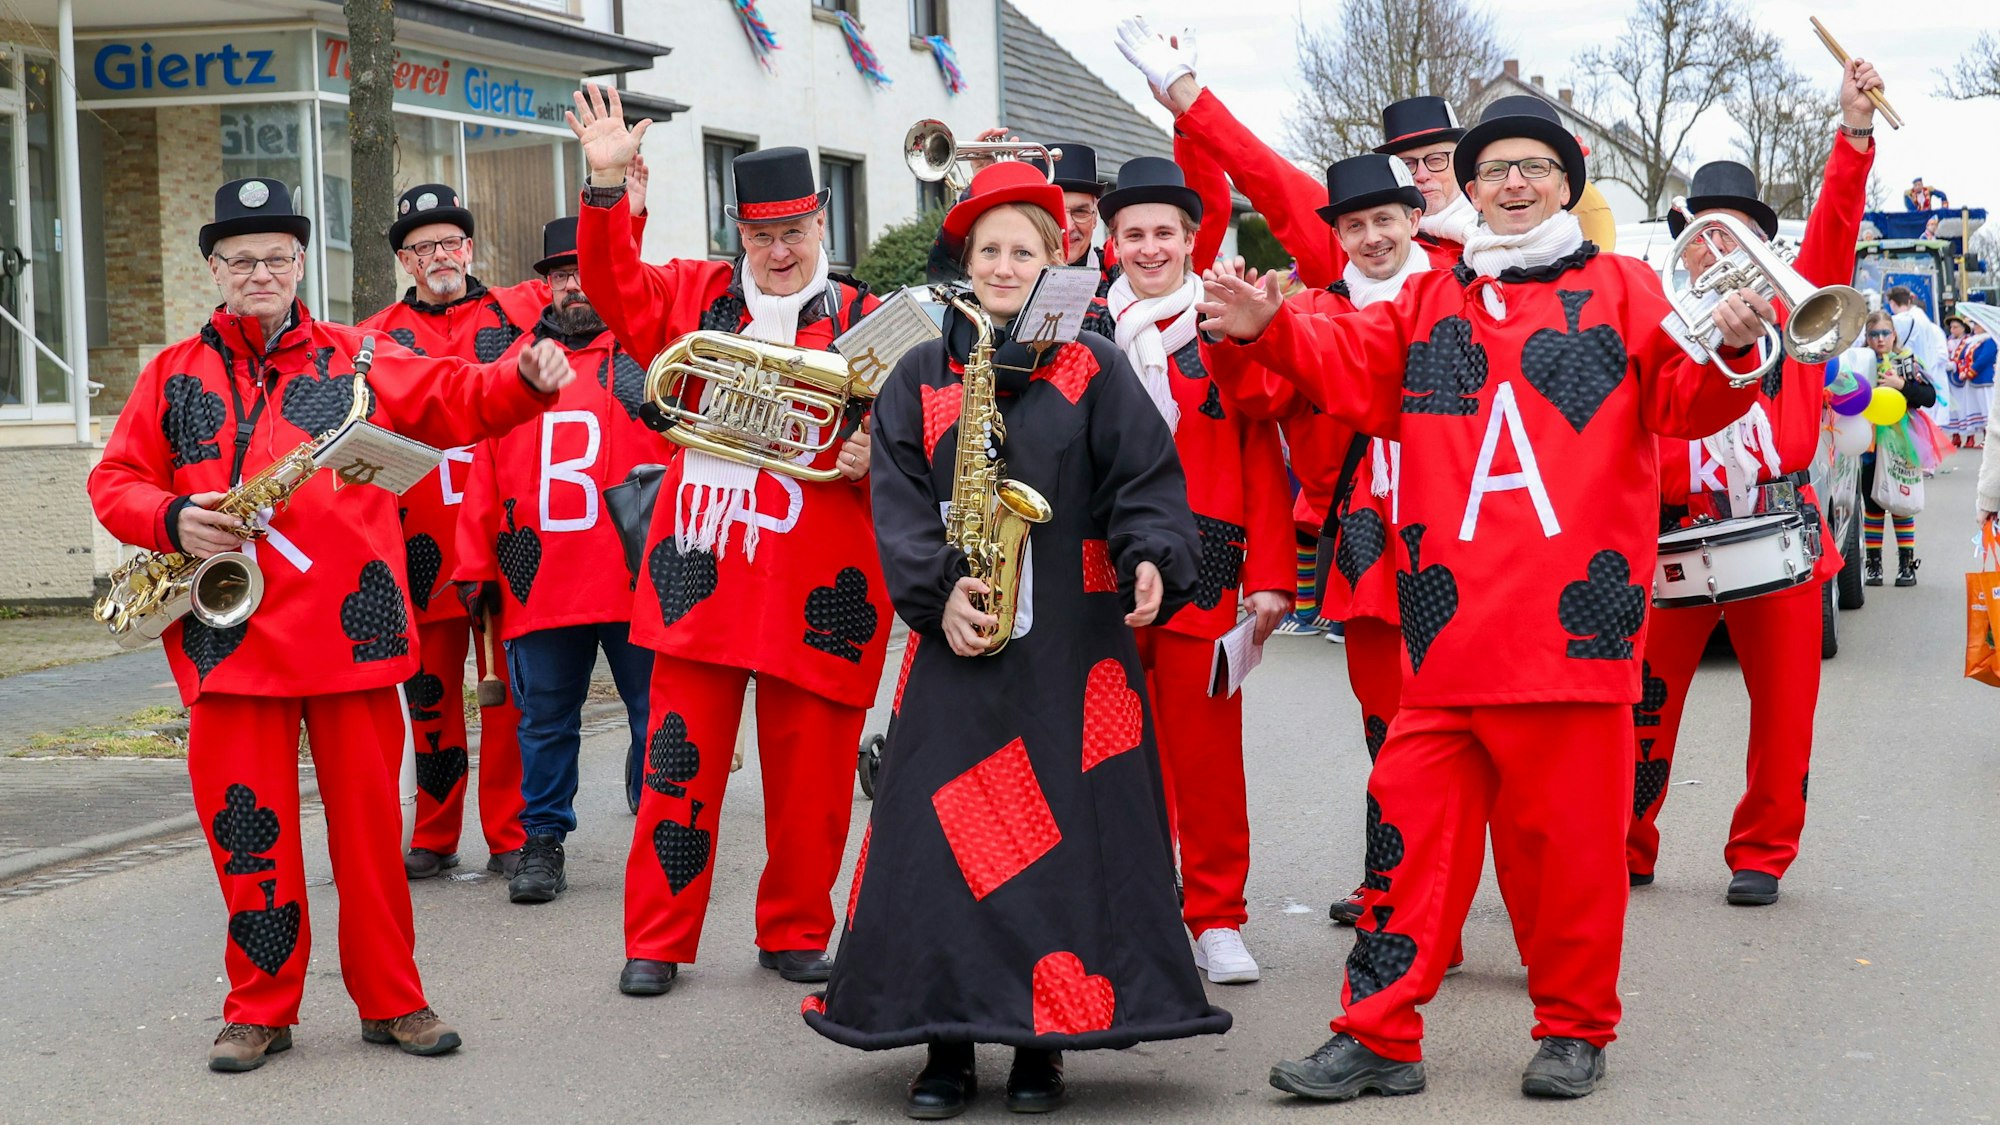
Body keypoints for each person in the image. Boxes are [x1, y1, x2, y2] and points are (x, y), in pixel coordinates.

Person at [1198, 95, 1775, 1100]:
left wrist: (1730, 348)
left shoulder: (1625, 289)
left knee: (1570, 856)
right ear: (1463, 192)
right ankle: (1377, 1032)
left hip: (1571, 635)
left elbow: (1686, 403)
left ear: (1565, 182)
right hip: (1446, 635)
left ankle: (1572, 1028)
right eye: (1492, 171)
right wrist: (1266, 330)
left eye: (1533, 169)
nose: (1512, 184)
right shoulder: (1429, 300)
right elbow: (1352, 369)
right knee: (1405, 840)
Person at [88, 178, 575, 1072]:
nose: (260, 271)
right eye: (242, 260)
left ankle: (395, 1000)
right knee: (248, 836)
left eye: (276, 256)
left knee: (367, 844)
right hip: (227, 642)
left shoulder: (361, 353)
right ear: (215, 271)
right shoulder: (170, 374)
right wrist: (170, 518)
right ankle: (258, 1008)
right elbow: (114, 481)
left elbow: (458, 395)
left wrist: (524, 379)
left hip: (351, 640)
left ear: (301, 264)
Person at [801, 160, 1230, 1118]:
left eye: (1024, 249)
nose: (1004, 263)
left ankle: (1047, 1042)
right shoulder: (921, 370)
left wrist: (1155, 553)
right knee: (945, 839)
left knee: (1064, 844)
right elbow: (899, 501)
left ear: (1059, 258)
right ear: (966, 257)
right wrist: (936, 592)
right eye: (989, 248)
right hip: (962, 637)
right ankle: (947, 1041)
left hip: (1074, 651)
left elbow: (1146, 480)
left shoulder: (1095, 363)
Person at [564, 85, 888, 997]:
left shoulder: (872, 315)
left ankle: (794, 929)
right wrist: (604, 184)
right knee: (676, 767)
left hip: (826, 586)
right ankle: (657, 940)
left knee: (815, 781)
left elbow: (927, 439)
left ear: (821, 220)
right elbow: (608, 283)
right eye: (760, 235)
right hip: (699, 575)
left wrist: (877, 450)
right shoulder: (695, 293)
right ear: (737, 231)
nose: (778, 253)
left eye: (794, 231)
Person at [1628, 57, 1882, 907]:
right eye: (1709, 230)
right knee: (1642, 708)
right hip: (1673, 531)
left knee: (1783, 714)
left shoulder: (1797, 308)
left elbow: (1838, 225)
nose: (1723, 245)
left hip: (1778, 531)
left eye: (1738, 231)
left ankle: (1762, 853)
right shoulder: (1659, 319)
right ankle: (1627, 840)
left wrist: (1850, 134)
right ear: (1689, 239)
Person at [1084, 154, 1292, 984]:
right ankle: (1118, 905)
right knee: (1104, 748)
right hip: (1100, 566)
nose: (1148, 247)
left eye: (1163, 232)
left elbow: (1263, 451)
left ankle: (1216, 916)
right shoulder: (1081, 331)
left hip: (1207, 565)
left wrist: (1273, 575)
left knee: (1208, 757)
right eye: (1132, 233)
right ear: (1111, 243)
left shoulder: (1223, 325)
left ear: (1190, 238)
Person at [453, 216, 662, 904]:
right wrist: (474, 563)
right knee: (542, 719)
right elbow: (482, 467)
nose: (574, 284)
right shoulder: (515, 367)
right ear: (544, 285)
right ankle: (541, 839)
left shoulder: (651, 359)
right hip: (541, 577)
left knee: (657, 713)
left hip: (641, 576)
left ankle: (665, 836)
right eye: (561, 273)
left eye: (586, 270)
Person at [359, 183, 547, 881]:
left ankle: (510, 830)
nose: (439, 256)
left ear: (469, 249)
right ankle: (435, 829)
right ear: (406, 262)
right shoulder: (374, 341)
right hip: (420, 544)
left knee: (507, 696)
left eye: (450, 243)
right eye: (422, 247)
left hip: (505, 537)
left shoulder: (521, 311)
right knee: (430, 699)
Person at [1115, 15, 1472, 290]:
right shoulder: (1357, 244)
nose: (1422, 174)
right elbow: (1264, 173)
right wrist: (1187, 102)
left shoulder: (1498, 242)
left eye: (1437, 159)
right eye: (1408, 164)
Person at [1861, 308, 1939, 587]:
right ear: (1867, 337)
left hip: (1902, 439)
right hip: (1868, 440)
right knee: (1872, 502)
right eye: (1874, 334)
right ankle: (1873, 565)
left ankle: (1907, 565)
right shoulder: (1860, 361)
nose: (1880, 339)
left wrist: (1901, 384)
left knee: (1901, 501)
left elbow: (1929, 397)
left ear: (1894, 334)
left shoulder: (1908, 361)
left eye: (1885, 333)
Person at [1945, 312, 1994, 448]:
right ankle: (1984, 438)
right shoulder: (1973, 341)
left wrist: (1969, 372)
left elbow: (1984, 359)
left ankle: (1989, 439)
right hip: (1972, 381)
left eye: (1978, 324)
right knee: (1980, 410)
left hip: (1985, 380)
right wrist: (1962, 369)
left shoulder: (1990, 340)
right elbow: (1963, 358)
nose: (1975, 326)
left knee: (1987, 410)